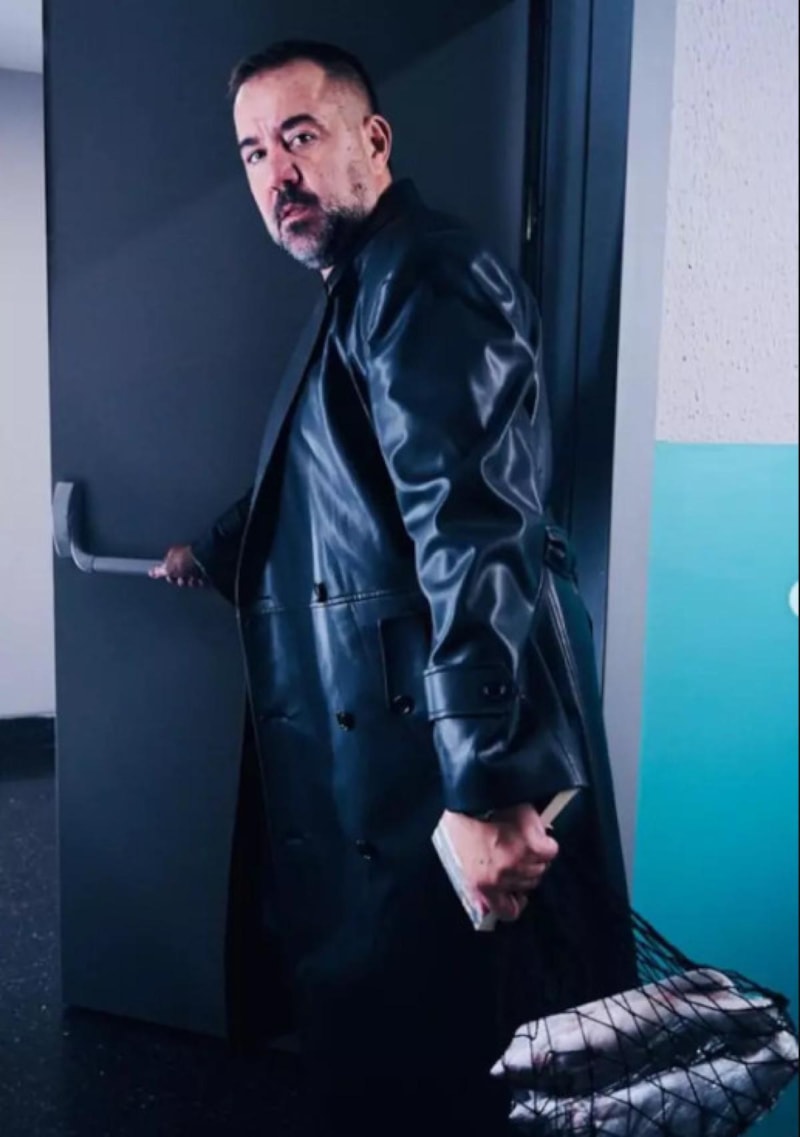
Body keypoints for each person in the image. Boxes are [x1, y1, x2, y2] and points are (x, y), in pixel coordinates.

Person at [151, 40, 634, 1137]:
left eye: (299, 136)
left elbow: (472, 524)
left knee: (465, 1076)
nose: (276, 172)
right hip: (389, 766)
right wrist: (219, 547)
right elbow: (334, 465)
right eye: (253, 151)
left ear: (372, 141)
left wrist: (484, 784)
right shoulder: (362, 286)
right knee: (401, 1063)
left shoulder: (425, 275)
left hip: (437, 769)